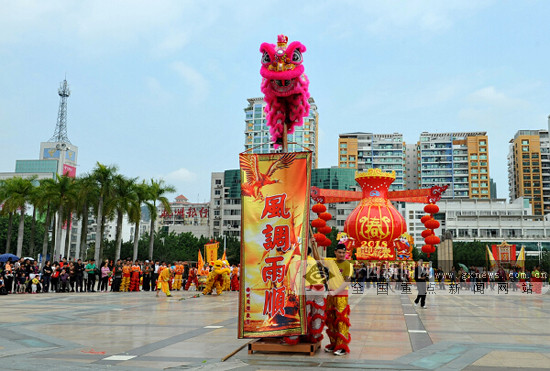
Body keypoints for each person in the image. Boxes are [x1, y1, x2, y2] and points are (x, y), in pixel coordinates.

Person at [324, 244, 352, 356]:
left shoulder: (348, 265)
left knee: (341, 320)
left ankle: (342, 346)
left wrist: (336, 292)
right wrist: (314, 242)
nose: (341, 255)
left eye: (343, 253)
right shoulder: (331, 262)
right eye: (339, 252)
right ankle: (334, 343)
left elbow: (347, 281)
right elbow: (318, 257)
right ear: (335, 252)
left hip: (341, 295)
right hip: (331, 295)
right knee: (331, 320)